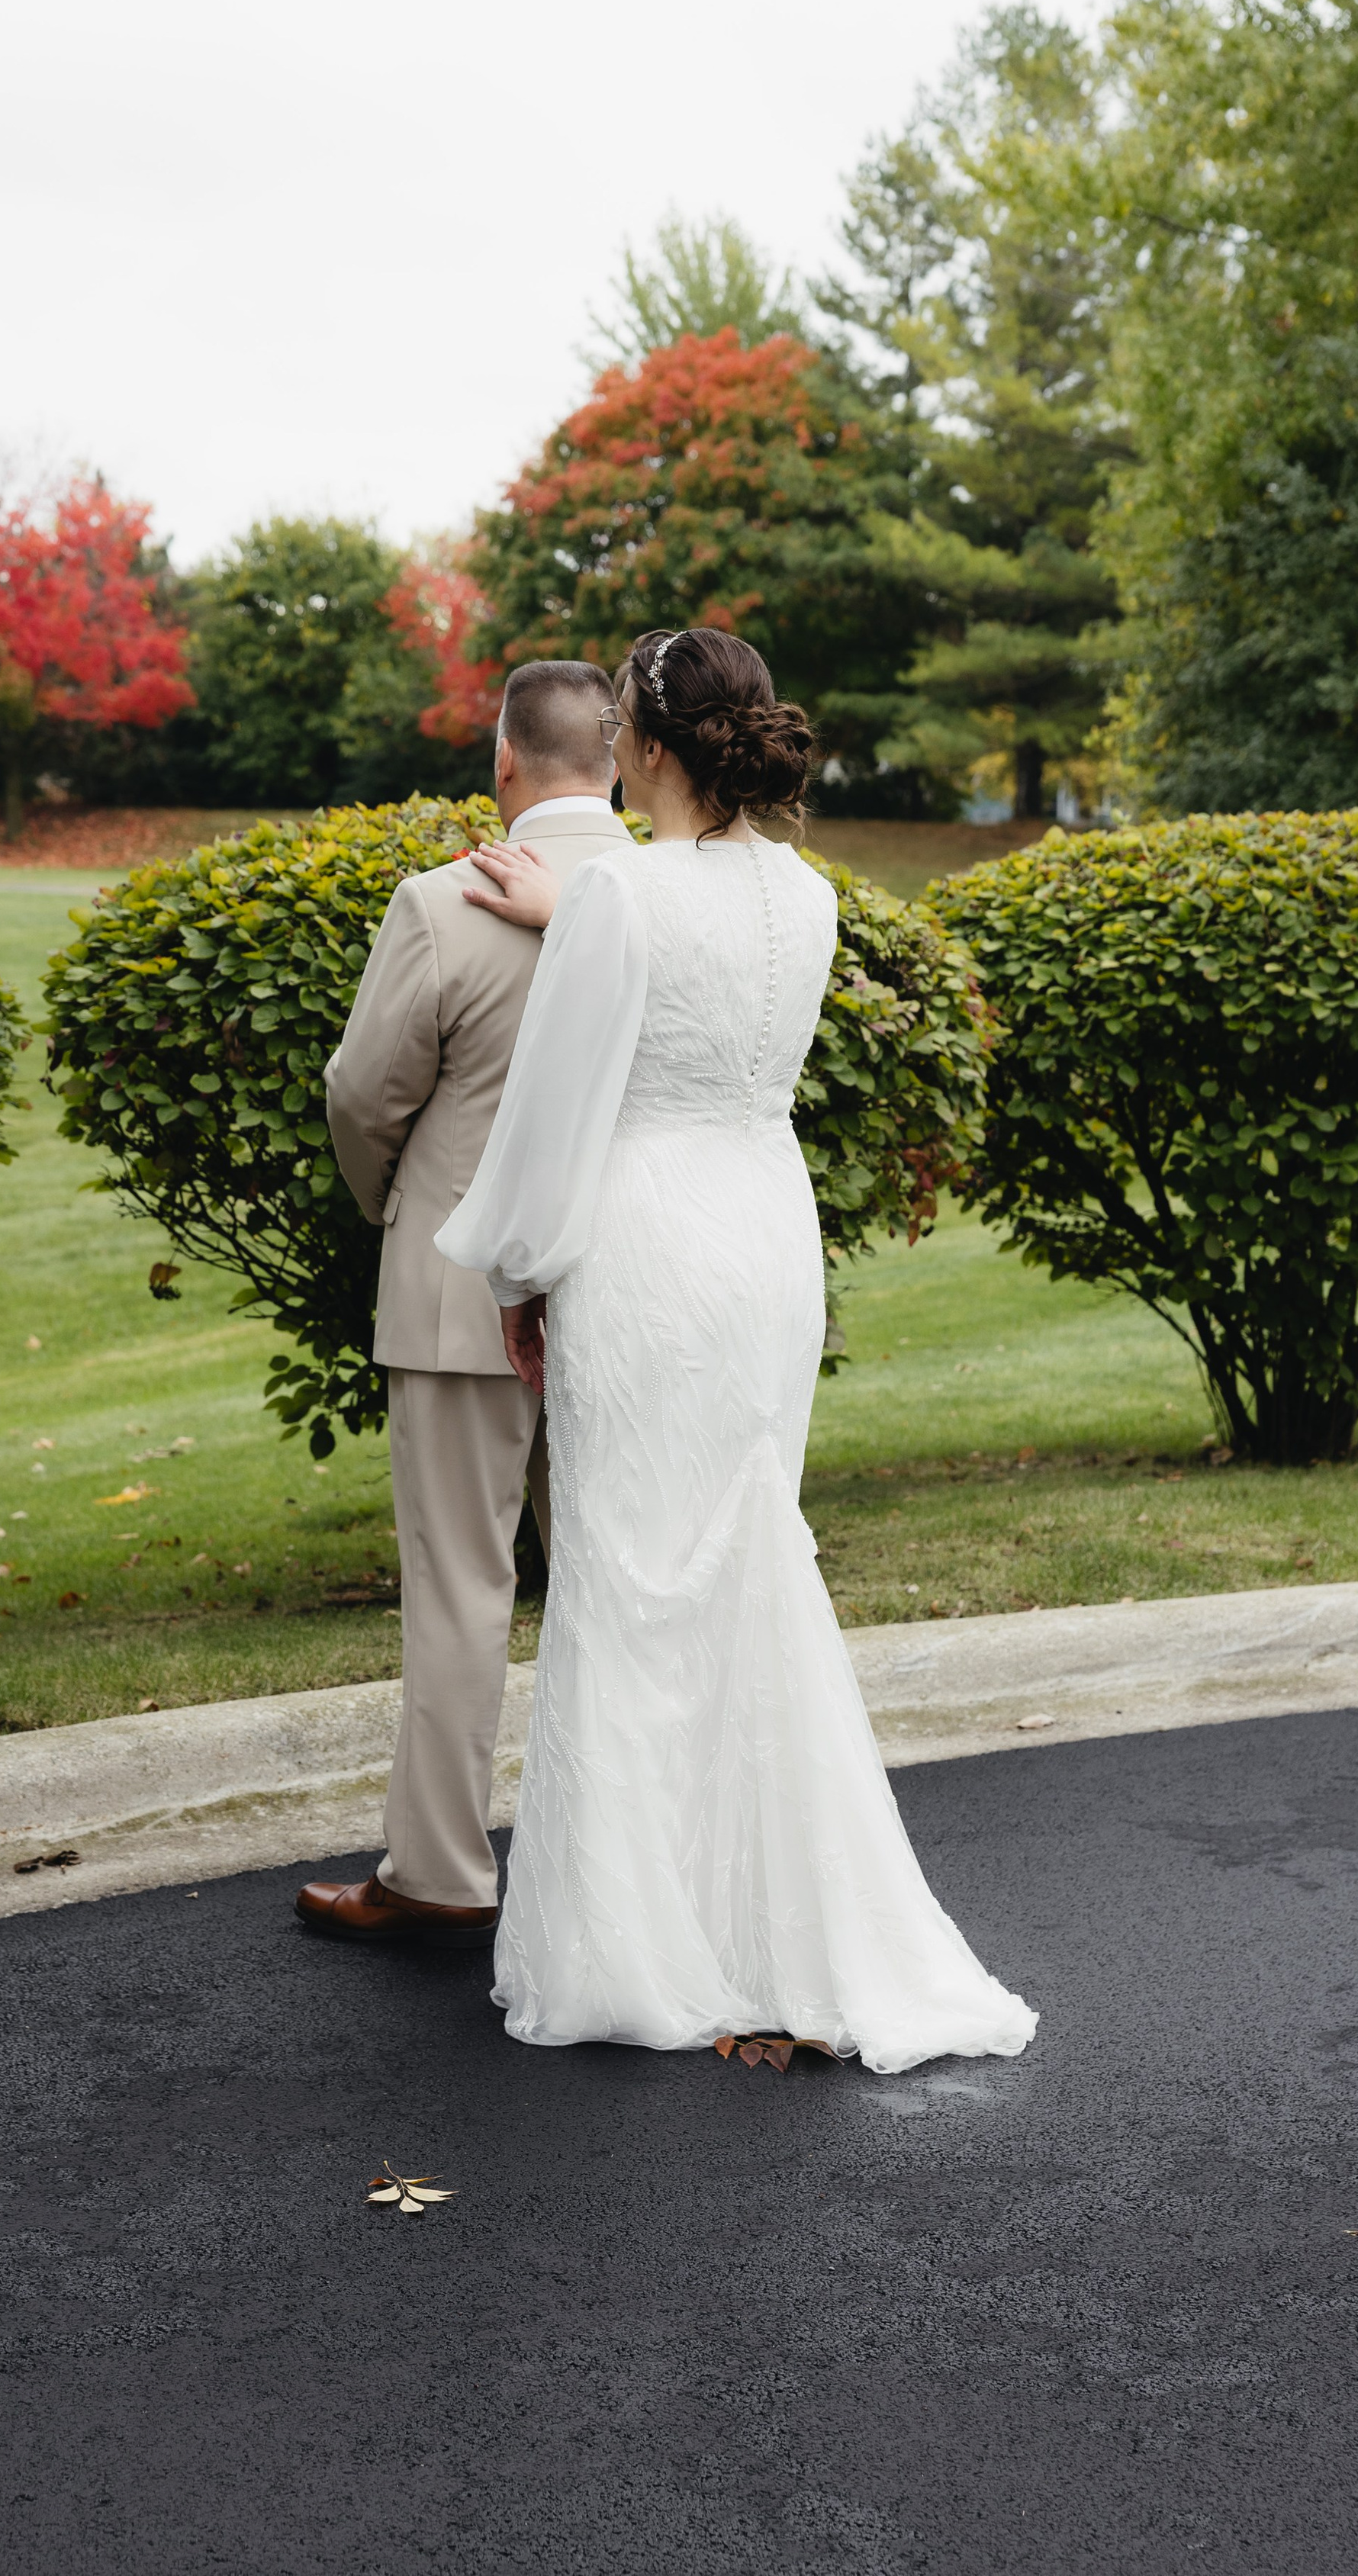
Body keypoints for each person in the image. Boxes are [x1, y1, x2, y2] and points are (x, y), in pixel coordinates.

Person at [434, 628, 1038, 2071]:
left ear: (640, 742)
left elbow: (564, 1106)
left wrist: (520, 1271)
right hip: (765, 1240)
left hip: (644, 1246)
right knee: (744, 1565)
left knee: (632, 1582)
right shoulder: (809, 895)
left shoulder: (618, 897)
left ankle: (644, 1946)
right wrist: (574, 918)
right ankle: (772, 1923)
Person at [295, 660, 632, 1950]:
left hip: (455, 1294)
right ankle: (619, 1865)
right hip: (626, 1290)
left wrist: (400, 1206)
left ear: (504, 760)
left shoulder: (444, 904)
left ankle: (439, 1869)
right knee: (621, 1580)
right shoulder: (662, 899)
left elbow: (363, 1094)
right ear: (616, 761)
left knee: (460, 1590)